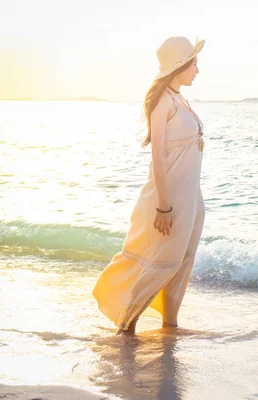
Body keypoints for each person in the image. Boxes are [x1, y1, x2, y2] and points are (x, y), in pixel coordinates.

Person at [93, 36, 206, 335]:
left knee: (181, 264)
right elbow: (157, 157)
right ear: (180, 65)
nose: (198, 70)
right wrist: (164, 206)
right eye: (194, 64)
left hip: (191, 199)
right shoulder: (162, 102)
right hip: (168, 200)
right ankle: (126, 323)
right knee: (161, 261)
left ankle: (170, 325)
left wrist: (195, 202)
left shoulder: (179, 98)